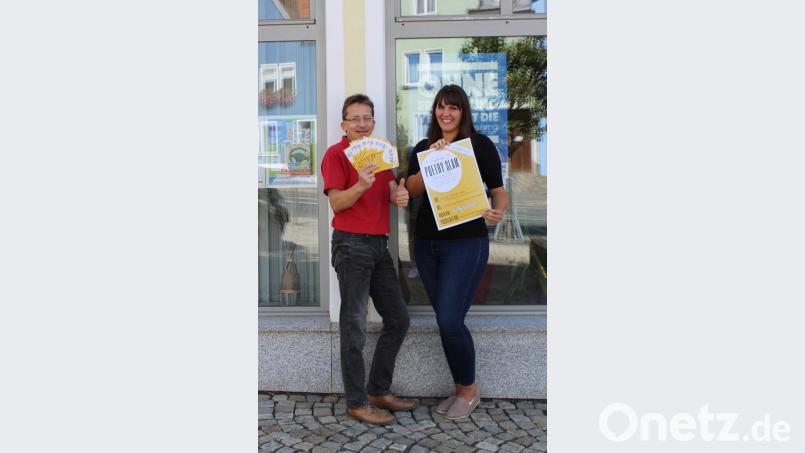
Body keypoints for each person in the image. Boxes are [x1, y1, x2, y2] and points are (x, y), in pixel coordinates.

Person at [404, 85, 509, 420]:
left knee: (449, 319)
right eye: (440, 107)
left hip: (466, 243)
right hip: (426, 244)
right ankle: (460, 387)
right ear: (433, 111)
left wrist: (498, 211)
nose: (445, 113)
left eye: (453, 108)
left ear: (463, 112)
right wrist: (432, 158)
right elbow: (411, 189)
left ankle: (468, 389)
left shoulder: (479, 146)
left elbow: (499, 192)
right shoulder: (423, 148)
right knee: (446, 320)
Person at [321, 94, 415, 425]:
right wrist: (360, 184)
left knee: (398, 319)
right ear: (343, 124)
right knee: (354, 326)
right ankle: (357, 402)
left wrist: (399, 196)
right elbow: (338, 203)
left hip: (379, 246)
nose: (362, 124)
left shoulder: (380, 151)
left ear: (373, 122)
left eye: (368, 118)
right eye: (355, 119)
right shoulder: (335, 155)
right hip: (351, 246)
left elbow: (392, 192)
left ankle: (377, 390)